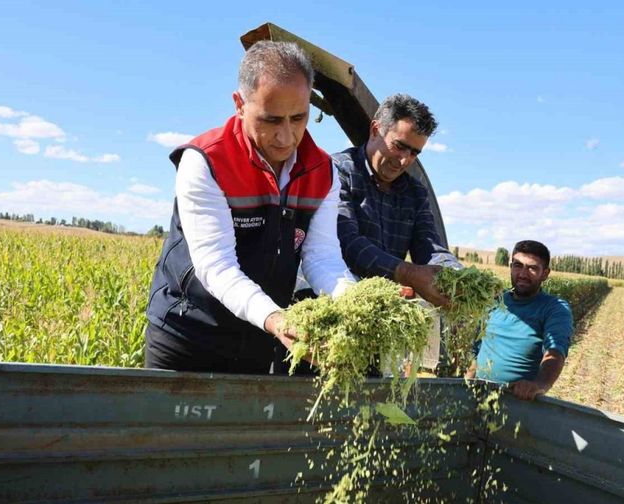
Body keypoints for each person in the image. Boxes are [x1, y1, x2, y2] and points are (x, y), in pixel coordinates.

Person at [145, 41, 355, 373]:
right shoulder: (206, 161)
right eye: (271, 120)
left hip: (258, 336)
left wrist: (356, 301)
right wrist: (275, 318)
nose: (286, 137)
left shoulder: (323, 171)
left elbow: (322, 256)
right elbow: (216, 265)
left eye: (298, 118)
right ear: (240, 104)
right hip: (189, 333)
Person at [334, 93, 462, 372]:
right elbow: (347, 243)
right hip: (337, 320)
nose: (405, 160)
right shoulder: (338, 172)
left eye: (415, 152)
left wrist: (456, 277)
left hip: (383, 324)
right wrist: (407, 273)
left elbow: (430, 246)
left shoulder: (414, 192)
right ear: (375, 129)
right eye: (400, 146)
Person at [469, 240, 573, 400]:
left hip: (517, 401)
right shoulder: (495, 300)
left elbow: (556, 351)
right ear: (511, 267)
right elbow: (479, 345)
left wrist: (540, 384)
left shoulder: (554, 308)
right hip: (477, 393)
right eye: (518, 265)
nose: (523, 274)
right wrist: (469, 375)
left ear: (545, 274)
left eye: (532, 268)